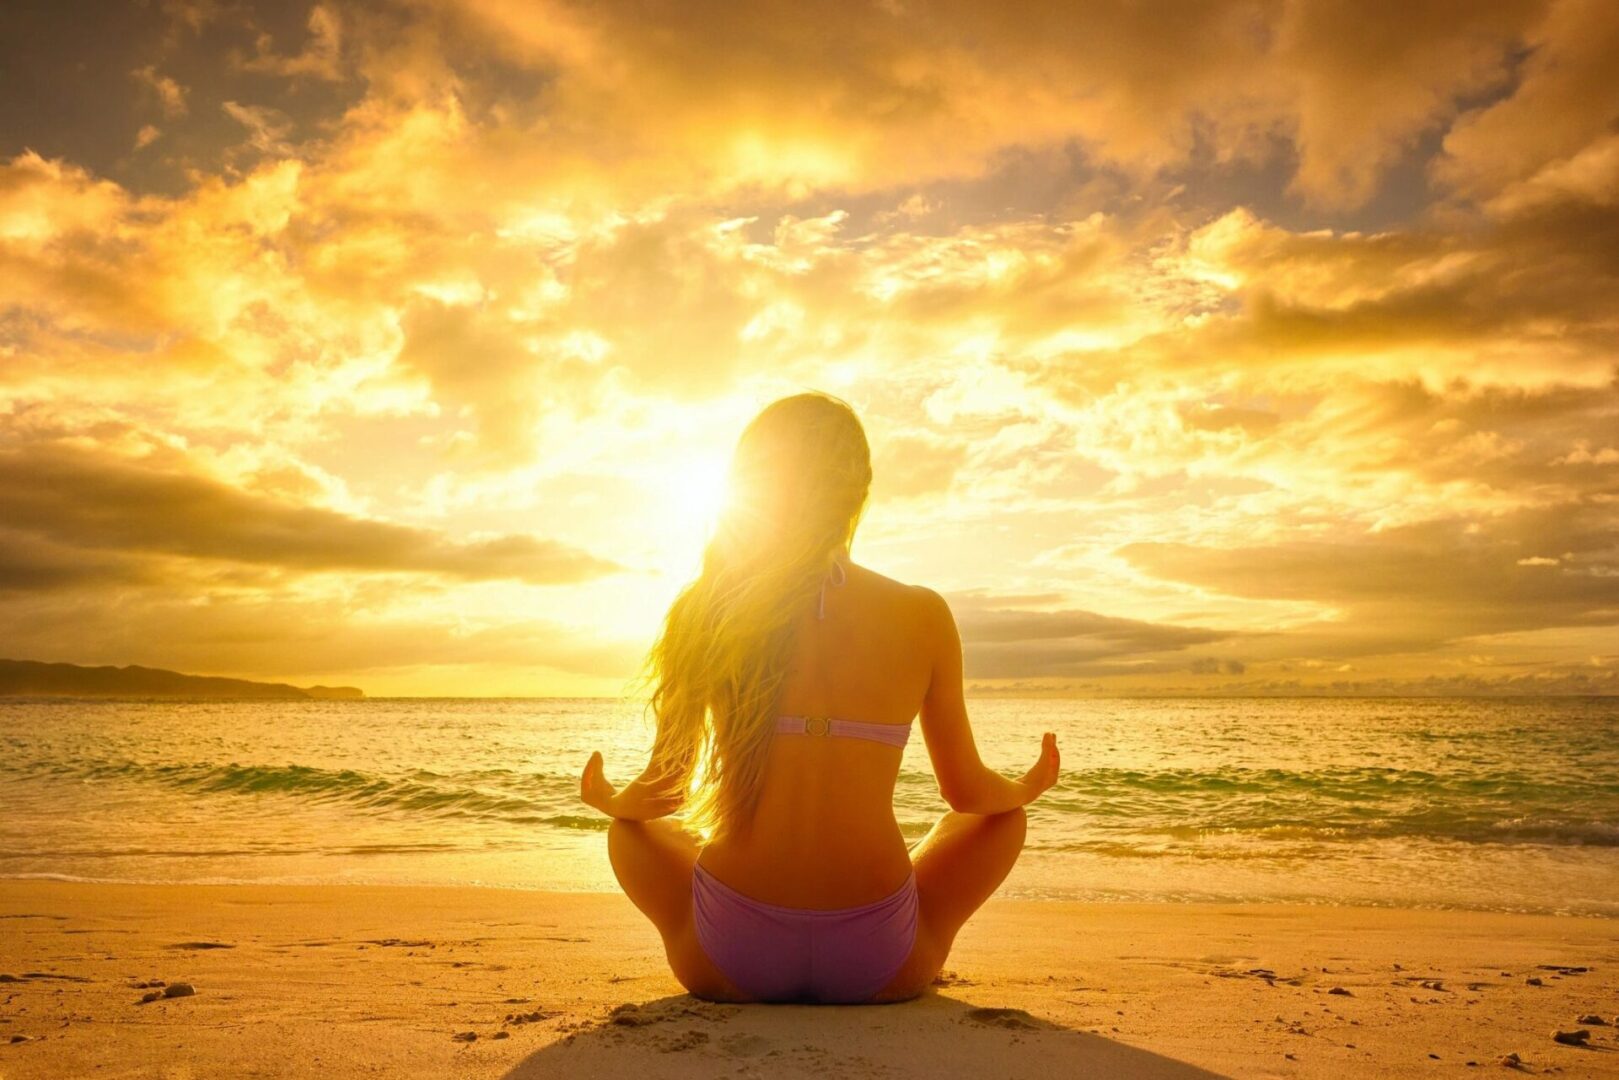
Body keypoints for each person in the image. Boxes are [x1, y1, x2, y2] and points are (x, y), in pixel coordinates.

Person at [579, 391, 1060, 1004]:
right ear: (857, 493)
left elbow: (664, 790)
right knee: (1001, 822)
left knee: (631, 833)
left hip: (732, 953)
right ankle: (910, 947)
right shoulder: (922, 614)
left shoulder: (708, 607)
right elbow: (966, 793)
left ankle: (723, 946)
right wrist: (1025, 787)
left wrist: (608, 799)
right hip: (878, 956)